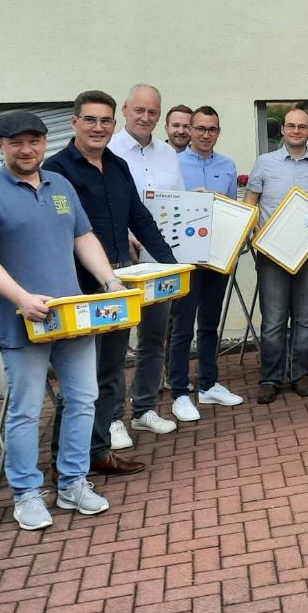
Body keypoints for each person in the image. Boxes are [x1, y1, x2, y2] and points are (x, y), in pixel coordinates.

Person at [0, 111, 122, 529]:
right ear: (0, 146)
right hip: (22, 322)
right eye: (16, 142)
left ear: (45, 143)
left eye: (34, 141)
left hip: (72, 318)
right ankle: (26, 493)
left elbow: (83, 237)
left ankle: (72, 482)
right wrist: (21, 297)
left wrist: (109, 280)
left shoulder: (60, 185)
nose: (26, 149)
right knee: (26, 411)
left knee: (83, 400)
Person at [44, 90, 177, 478]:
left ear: (113, 124)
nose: (98, 127)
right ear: (74, 122)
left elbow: (140, 218)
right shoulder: (56, 170)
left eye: (105, 121)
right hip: (78, 286)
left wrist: (171, 265)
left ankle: (99, 451)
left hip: (118, 285)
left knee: (109, 369)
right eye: (90, 119)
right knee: (78, 377)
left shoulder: (118, 167)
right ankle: (63, 462)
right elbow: (55, 232)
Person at [108, 84, 183, 444]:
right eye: (139, 110)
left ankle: (144, 409)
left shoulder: (168, 153)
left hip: (158, 261)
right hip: (120, 262)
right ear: (125, 109)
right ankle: (111, 418)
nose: (145, 117)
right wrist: (125, 233)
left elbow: (178, 203)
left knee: (153, 338)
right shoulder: (108, 149)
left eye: (152, 112)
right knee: (115, 343)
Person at [245, 104, 308, 404]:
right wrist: (256, 233)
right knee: (273, 319)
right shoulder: (264, 163)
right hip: (272, 255)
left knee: (306, 318)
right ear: (283, 130)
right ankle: (270, 378)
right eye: (291, 126)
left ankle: (300, 374)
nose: (296, 130)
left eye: (302, 126)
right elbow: (250, 203)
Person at [169, 105, 243, 421]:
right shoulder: (173, 163)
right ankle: (179, 391)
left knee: (210, 323)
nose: (205, 134)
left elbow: (234, 208)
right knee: (182, 327)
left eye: (211, 129)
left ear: (218, 132)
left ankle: (209, 384)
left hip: (217, 255)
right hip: (185, 256)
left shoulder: (227, 165)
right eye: (200, 128)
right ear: (190, 129)